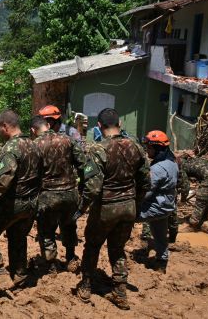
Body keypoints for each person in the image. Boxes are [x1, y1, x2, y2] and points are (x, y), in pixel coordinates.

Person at [74, 108, 150, 310]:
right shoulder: (137, 147)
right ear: (120, 124)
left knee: (92, 246)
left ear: (99, 126)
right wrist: (136, 202)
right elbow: (145, 181)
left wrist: (82, 208)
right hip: (129, 207)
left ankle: (86, 286)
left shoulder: (99, 149)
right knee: (117, 249)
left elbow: (93, 186)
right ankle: (120, 292)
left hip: (106, 207)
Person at [0, 110, 41, 292]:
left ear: (5, 126)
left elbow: (2, 182)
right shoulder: (34, 145)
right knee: (17, 236)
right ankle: (20, 276)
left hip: (13, 203)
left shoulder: (11, 148)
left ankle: (1, 275)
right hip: (32, 203)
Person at [30, 116, 86, 272]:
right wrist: (81, 188)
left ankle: (51, 264)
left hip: (48, 195)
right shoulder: (67, 140)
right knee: (69, 226)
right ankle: (70, 258)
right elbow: (83, 164)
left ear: (33, 131)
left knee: (46, 230)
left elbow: (31, 174)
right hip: (70, 193)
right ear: (48, 125)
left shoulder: (34, 145)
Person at [139, 130, 178, 274]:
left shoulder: (157, 168)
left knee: (124, 217)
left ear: (157, 149)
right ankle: (162, 262)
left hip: (154, 207)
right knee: (160, 236)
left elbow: (146, 192)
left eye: (149, 147)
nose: (147, 150)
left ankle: (118, 251)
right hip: (166, 207)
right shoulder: (172, 163)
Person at [177, 152, 208, 229]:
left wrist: (183, 200)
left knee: (200, 202)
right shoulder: (195, 160)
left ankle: (192, 224)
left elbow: (186, 186)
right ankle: (203, 219)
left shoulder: (182, 167)